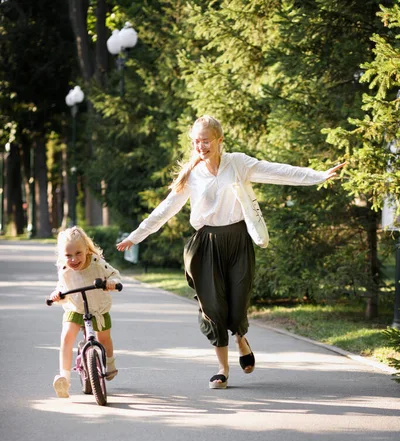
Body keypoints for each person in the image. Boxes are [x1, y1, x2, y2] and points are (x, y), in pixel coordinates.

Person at [116, 115, 345, 389]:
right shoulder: (191, 175)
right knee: (213, 307)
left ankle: (240, 338)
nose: (201, 146)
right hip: (206, 244)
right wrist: (136, 235)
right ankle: (222, 369)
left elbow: (277, 171)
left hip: (237, 240)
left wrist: (318, 176)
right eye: (196, 141)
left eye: (206, 140)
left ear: (219, 140)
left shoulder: (238, 164)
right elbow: (166, 209)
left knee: (237, 303)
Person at [50, 226, 122, 398]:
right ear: (62, 256)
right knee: (67, 337)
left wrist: (111, 282)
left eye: (78, 253)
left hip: (98, 308)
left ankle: (110, 364)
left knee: (104, 338)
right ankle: (64, 379)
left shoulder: (97, 263)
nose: (74, 259)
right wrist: (56, 295)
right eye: (68, 255)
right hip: (75, 307)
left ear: (87, 250)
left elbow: (114, 274)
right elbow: (62, 287)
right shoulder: (64, 270)